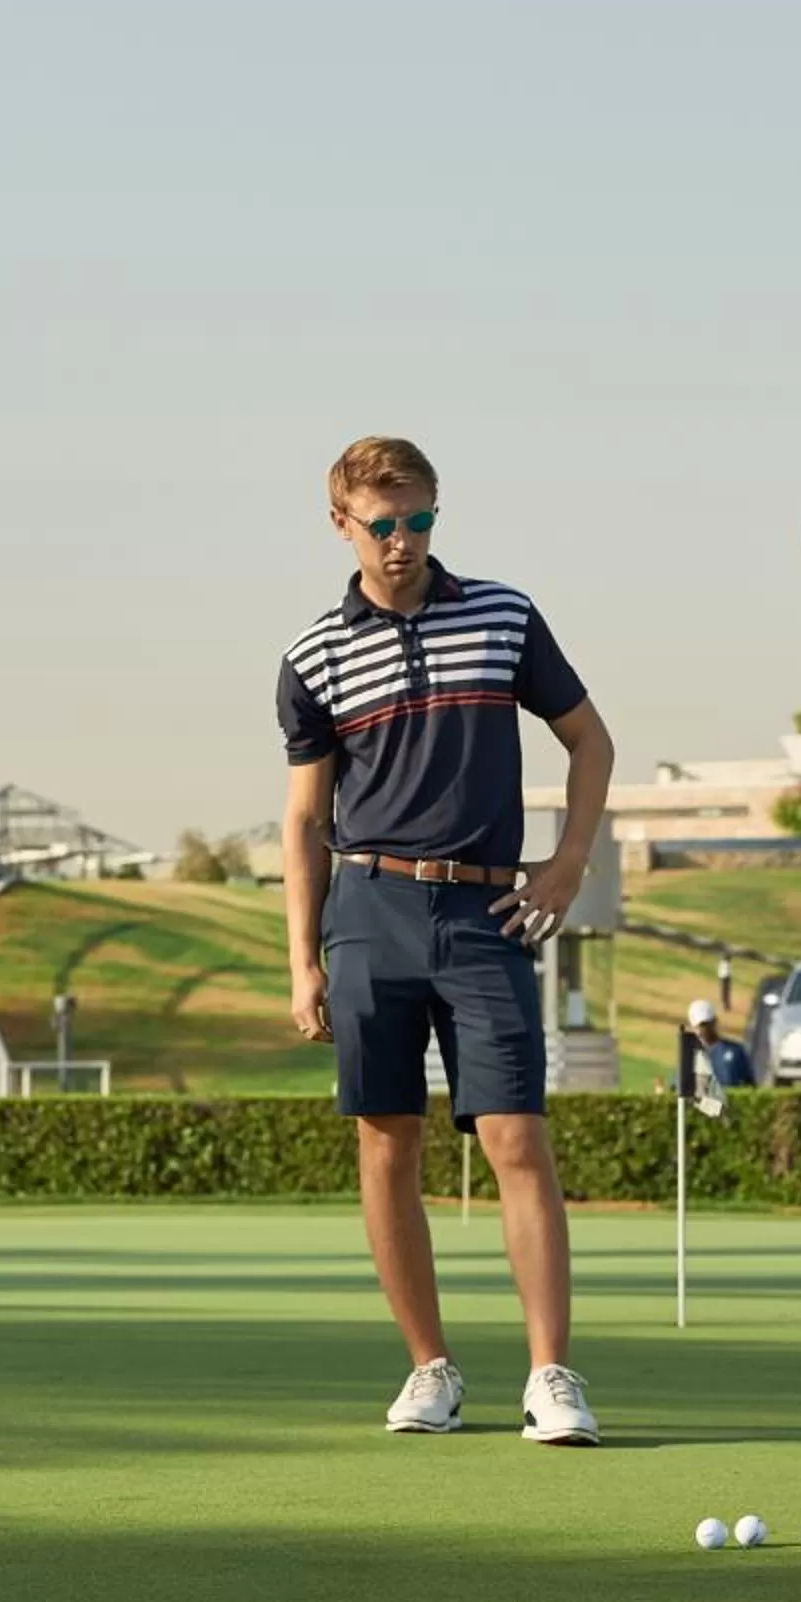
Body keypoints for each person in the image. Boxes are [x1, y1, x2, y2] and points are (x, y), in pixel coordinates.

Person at [279, 435, 615, 1444]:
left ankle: (552, 1376)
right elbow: (304, 821)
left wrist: (565, 867)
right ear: (340, 522)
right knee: (388, 1142)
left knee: (517, 1135)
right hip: (368, 913)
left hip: (484, 910)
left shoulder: (504, 615)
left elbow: (589, 739)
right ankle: (430, 1368)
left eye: (419, 520)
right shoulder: (311, 657)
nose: (402, 542)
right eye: (382, 525)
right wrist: (301, 958)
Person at [686, 998, 755, 1092]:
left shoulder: (736, 1051)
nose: (701, 1030)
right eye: (698, 1026)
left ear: (714, 1022)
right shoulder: (689, 1056)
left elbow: (750, 1086)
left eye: (705, 1024)